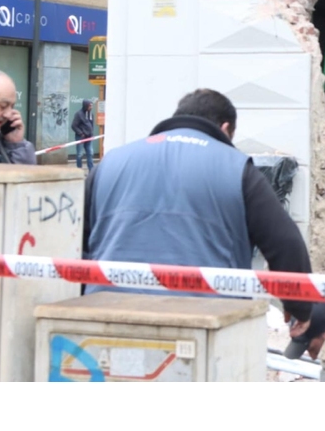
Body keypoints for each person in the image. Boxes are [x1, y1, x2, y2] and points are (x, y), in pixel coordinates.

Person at [83, 88, 312, 338]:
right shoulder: (236, 168)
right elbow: (286, 243)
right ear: (225, 129)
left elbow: (75, 239)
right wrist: (299, 306)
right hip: (203, 325)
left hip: (104, 317)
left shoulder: (111, 162)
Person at [71, 99, 95, 171]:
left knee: (90, 153)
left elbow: (91, 125)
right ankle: (79, 170)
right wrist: (80, 133)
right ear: (86, 106)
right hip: (81, 137)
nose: (91, 107)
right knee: (80, 154)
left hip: (89, 137)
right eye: (90, 106)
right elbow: (73, 126)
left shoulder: (91, 114)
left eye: (91, 105)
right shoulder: (79, 114)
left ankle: (91, 170)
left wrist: (91, 133)